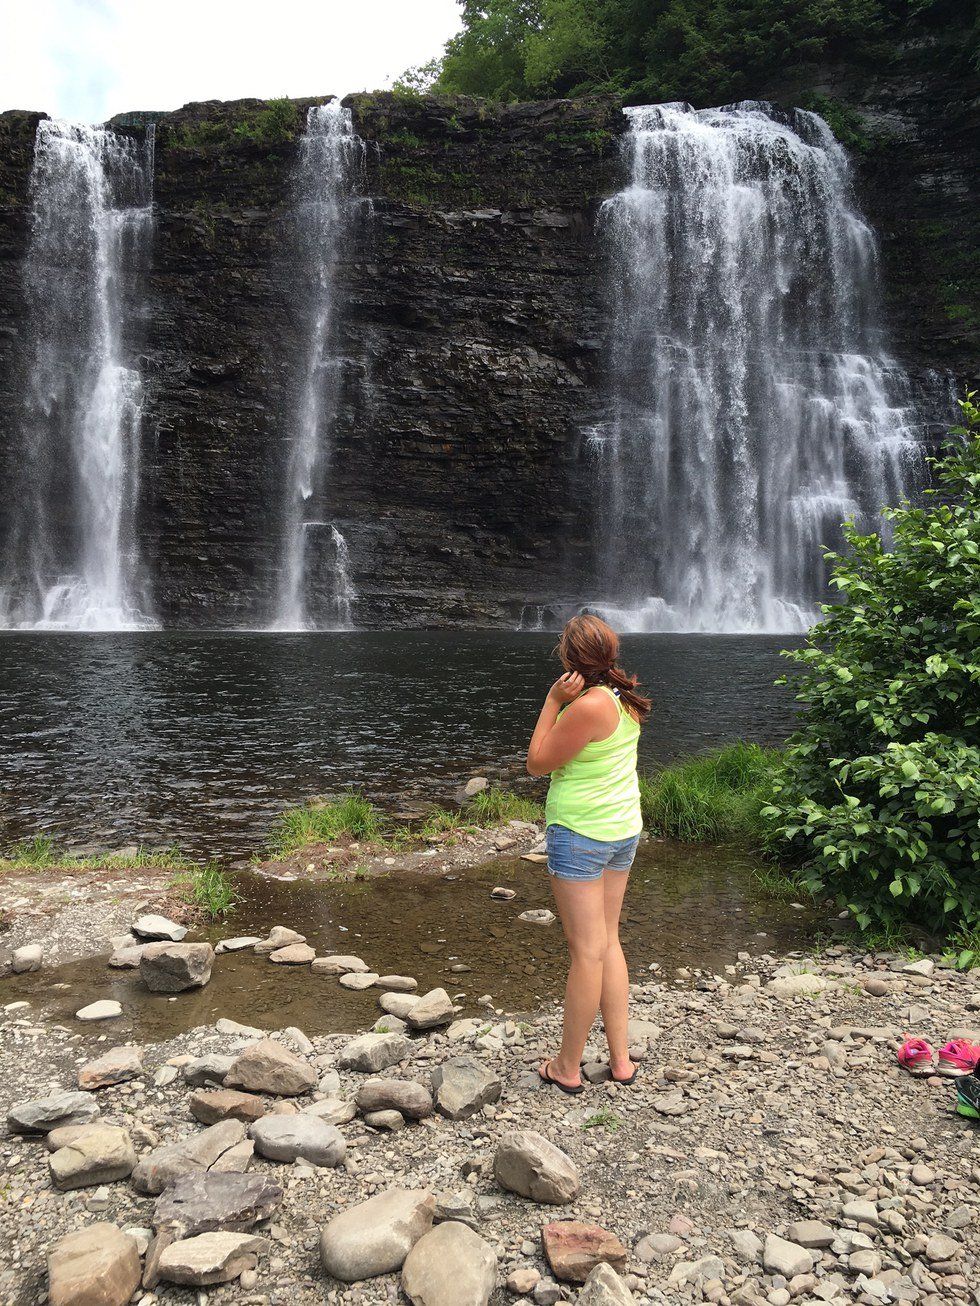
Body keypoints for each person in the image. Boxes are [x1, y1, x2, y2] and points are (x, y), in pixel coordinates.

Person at [526, 613, 650, 1093]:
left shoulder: (587, 706)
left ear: (569, 660)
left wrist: (553, 700)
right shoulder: (626, 700)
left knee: (585, 953)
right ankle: (621, 1061)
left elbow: (537, 763)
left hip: (581, 835)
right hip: (622, 832)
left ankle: (568, 1067)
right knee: (608, 942)